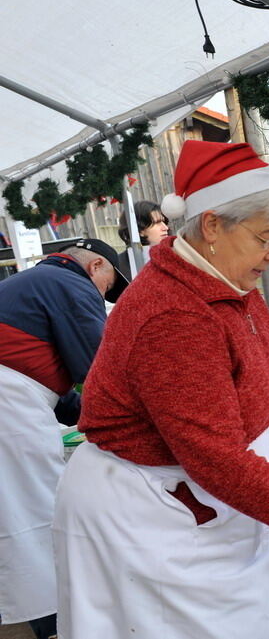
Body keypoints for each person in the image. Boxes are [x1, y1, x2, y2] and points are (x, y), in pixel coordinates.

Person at [53, 140, 269, 639]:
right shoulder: (173, 315)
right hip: (148, 514)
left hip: (197, 496)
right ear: (211, 226)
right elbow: (213, 456)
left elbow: (257, 377)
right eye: (266, 238)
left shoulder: (227, 283)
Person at [0, 238, 127, 638]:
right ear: (94, 268)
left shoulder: (33, 283)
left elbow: (63, 393)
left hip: (19, 396)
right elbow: (102, 369)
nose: (103, 296)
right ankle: (54, 620)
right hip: (9, 405)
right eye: (108, 285)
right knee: (34, 516)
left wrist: (85, 415)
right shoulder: (67, 283)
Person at [117, 200, 170, 280]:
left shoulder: (174, 255)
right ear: (139, 230)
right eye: (157, 223)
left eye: (163, 222)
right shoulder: (119, 266)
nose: (165, 228)